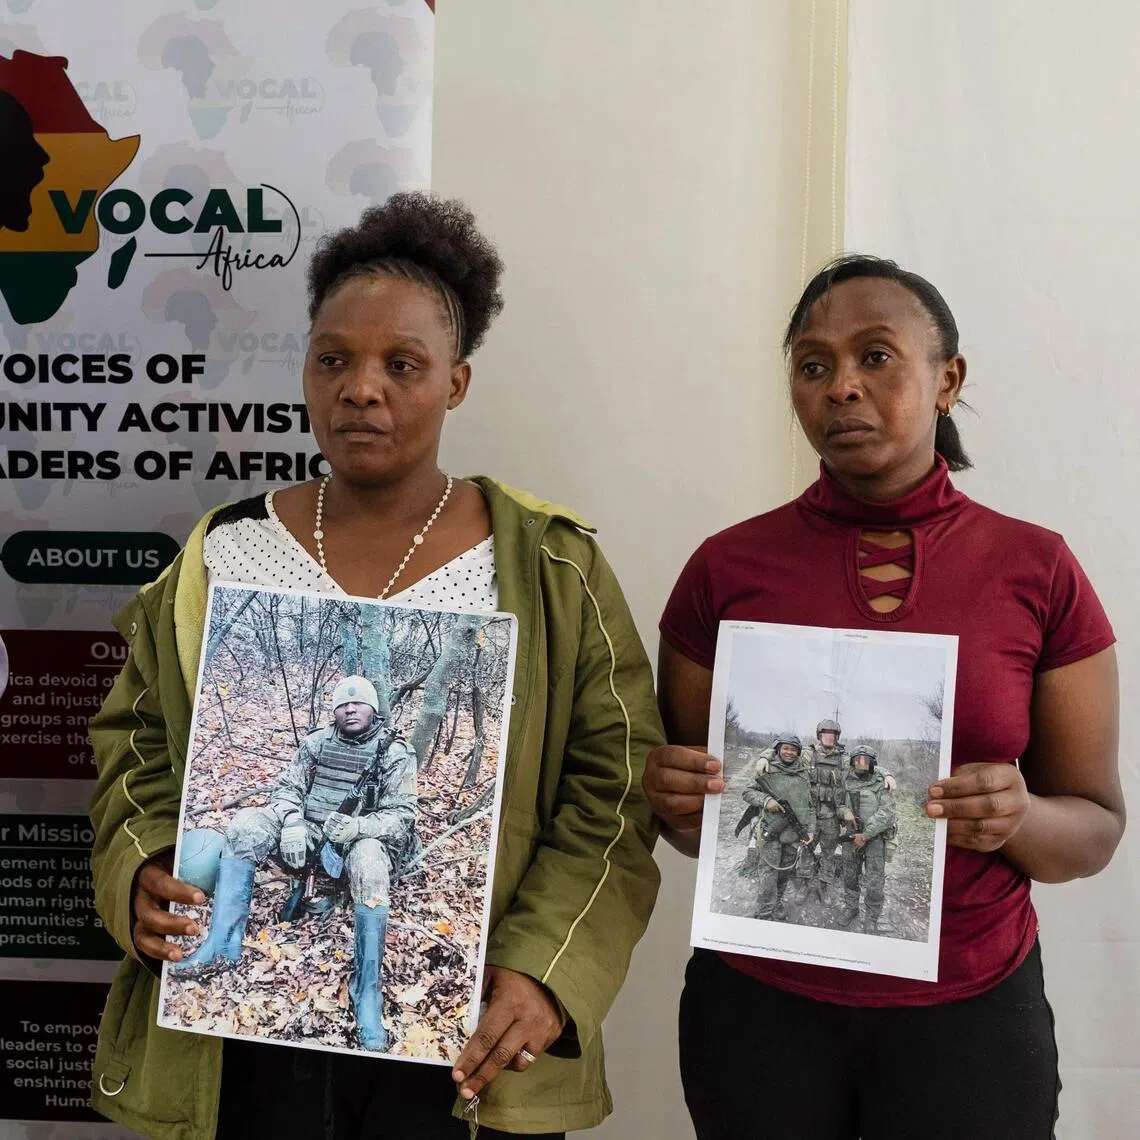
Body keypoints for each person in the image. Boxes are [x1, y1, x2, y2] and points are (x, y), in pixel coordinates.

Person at [88, 192, 663, 1140]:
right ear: (307, 371)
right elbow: (134, 744)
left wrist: (550, 969)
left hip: (463, 1044)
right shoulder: (222, 552)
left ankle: (366, 989)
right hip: (235, 1056)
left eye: (403, 364)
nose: (363, 388)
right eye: (335, 360)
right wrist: (146, 865)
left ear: (457, 383)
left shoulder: (552, 567)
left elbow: (617, 789)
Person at [645, 255, 1123, 1139]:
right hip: (757, 1009)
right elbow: (691, 820)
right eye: (814, 365)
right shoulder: (726, 569)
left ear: (947, 380)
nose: (842, 389)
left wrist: (1016, 816)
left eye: (876, 357)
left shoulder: (1038, 568)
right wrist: (674, 798)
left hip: (971, 1010)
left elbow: (1093, 829)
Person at [175, 675, 416, 1052]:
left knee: (369, 861)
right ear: (334, 710)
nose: (350, 709)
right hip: (306, 828)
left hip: (356, 839)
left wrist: (358, 826)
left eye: (358, 703)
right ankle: (222, 944)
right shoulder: (317, 742)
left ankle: (366, 992)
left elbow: (403, 815)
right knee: (245, 826)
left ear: (373, 709)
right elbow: (286, 788)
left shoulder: (394, 752)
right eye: (342, 704)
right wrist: (291, 821)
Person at [740, 734, 816, 921]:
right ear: (778, 749)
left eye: (793, 749)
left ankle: (777, 902)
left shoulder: (804, 773)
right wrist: (767, 801)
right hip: (771, 831)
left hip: (794, 834)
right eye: (785, 748)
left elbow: (812, 805)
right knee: (768, 873)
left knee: (785, 872)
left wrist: (811, 830)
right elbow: (747, 792)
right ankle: (765, 911)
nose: (789, 752)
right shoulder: (768, 769)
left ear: (798, 752)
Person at [837, 745, 896, 933]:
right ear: (852, 761)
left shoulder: (880, 782)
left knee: (875, 881)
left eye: (866, 760)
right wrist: (844, 811)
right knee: (850, 876)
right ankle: (851, 908)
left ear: (873, 763)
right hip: (851, 837)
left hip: (874, 839)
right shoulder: (845, 780)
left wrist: (866, 834)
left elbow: (887, 814)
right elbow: (836, 803)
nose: (861, 763)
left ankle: (872, 917)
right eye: (858, 759)